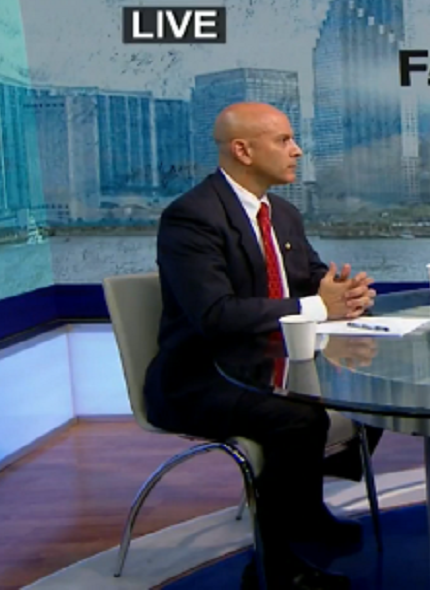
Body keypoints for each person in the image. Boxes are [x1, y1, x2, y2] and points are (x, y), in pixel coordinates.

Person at [145, 102, 378, 590]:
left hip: (273, 366)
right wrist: (318, 306)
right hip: (201, 376)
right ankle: (273, 566)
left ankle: (305, 508)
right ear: (242, 150)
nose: (297, 151)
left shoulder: (283, 213)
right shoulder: (191, 218)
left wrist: (345, 293)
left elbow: (309, 278)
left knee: (365, 389)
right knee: (299, 418)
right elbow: (215, 316)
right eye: (284, 141)